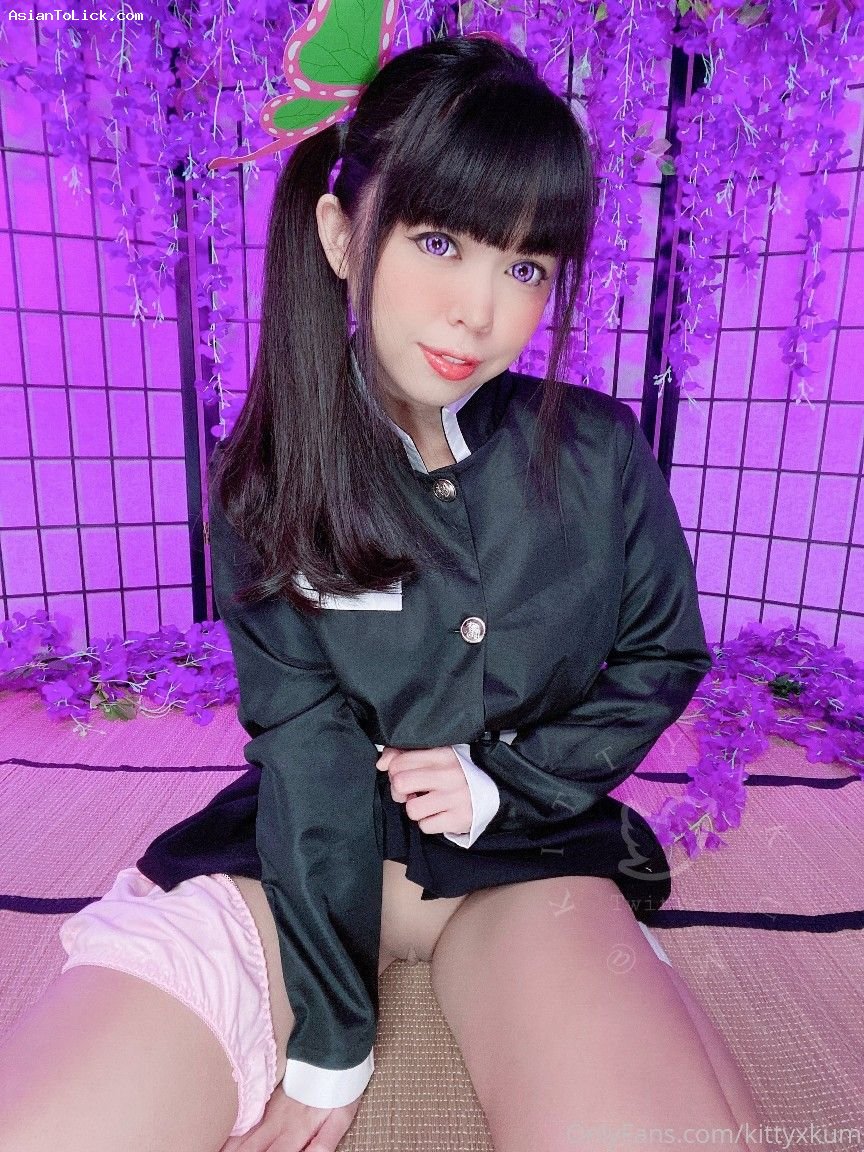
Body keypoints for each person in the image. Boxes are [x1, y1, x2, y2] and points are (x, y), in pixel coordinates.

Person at [0, 33, 766, 1152]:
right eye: (440, 242)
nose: (478, 313)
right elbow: (305, 742)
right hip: (293, 861)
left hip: (526, 861)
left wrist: (505, 784)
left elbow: (664, 654)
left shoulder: (601, 454)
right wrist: (331, 1037)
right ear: (339, 234)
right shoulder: (263, 481)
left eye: (526, 267)